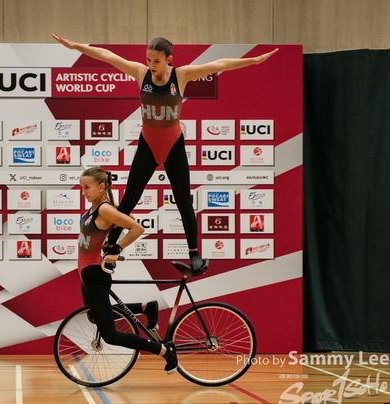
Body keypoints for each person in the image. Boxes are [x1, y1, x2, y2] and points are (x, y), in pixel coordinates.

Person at [53, 34, 278, 275]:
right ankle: (110, 248)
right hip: (148, 145)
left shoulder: (181, 75)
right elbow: (108, 56)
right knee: (129, 199)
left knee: (184, 202)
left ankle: (195, 256)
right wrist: (76, 46)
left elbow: (219, 64)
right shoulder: (141, 73)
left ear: (169, 59)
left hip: (173, 146)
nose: (151, 65)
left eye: (157, 61)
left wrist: (252, 60)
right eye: (148, 60)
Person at [77, 166, 177, 374]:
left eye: (87, 187)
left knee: (111, 336)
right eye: (82, 187)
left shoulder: (105, 210)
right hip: (86, 273)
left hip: (95, 273)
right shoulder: (99, 208)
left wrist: (117, 248)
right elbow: (126, 219)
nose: (83, 192)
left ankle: (163, 350)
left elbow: (137, 228)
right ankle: (145, 307)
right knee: (94, 316)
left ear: (101, 187)